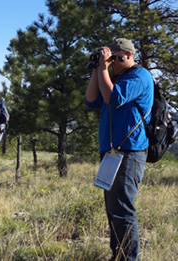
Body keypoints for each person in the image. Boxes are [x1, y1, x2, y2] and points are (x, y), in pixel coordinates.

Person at [86, 38, 153, 260]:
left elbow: (113, 97)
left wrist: (104, 69)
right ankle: (119, 255)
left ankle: (128, 258)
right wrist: (98, 68)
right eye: (110, 57)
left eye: (116, 57)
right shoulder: (114, 78)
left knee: (123, 212)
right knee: (113, 212)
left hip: (129, 153)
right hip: (112, 154)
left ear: (129, 55)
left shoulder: (139, 76)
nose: (112, 61)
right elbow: (91, 99)